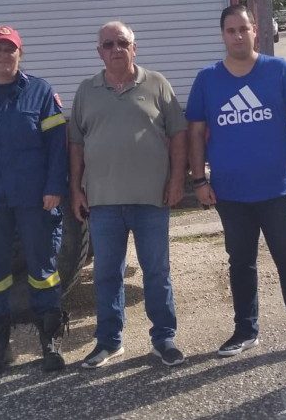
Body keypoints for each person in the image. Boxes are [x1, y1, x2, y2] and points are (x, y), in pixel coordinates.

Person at [186, 4, 286, 361]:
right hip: (231, 193)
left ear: (255, 30)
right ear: (223, 35)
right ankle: (245, 330)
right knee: (240, 262)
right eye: (231, 30)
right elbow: (195, 132)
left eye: (244, 29)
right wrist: (199, 180)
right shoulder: (207, 79)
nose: (238, 36)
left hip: (280, 189)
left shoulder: (278, 70)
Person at [69, 21, 187, 368]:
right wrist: (75, 189)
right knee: (107, 274)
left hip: (152, 199)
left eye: (122, 43)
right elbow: (76, 144)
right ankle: (109, 342)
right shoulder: (86, 90)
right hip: (103, 201)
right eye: (108, 44)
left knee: (157, 272)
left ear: (135, 48)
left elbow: (178, 135)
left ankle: (164, 339)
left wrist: (177, 180)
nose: (116, 49)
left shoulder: (157, 84)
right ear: (99, 52)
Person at [0, 25, 69, 376]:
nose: (4, 55)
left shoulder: (40, 92)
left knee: (43, 271)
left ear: (21, 53)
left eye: (10, 49)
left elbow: (57, 146)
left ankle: (49, 344)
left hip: (35, 199)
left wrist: (55, 186)